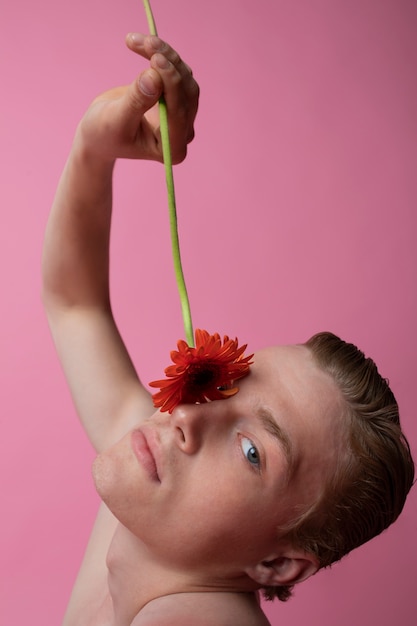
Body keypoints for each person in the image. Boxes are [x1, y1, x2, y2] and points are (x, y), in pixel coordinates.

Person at [42, 33, 414, 626]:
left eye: (251, 453)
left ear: (276, 565)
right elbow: (74, 304)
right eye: (226, 387)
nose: (189, 417)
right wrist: (96, 144)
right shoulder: (150, 511)